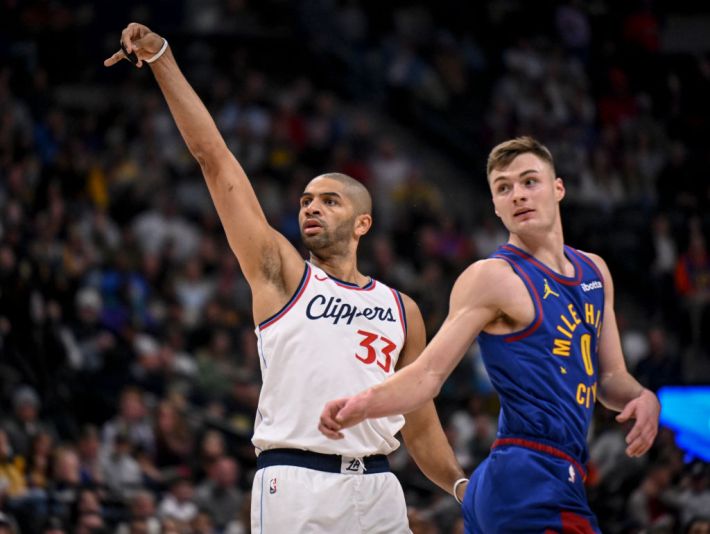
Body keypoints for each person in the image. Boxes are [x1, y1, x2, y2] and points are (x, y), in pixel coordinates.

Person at [105, 22, 467, 533]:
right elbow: (215, 160)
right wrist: (163, 58)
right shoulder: (282, 274)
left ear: (364, 223)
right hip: (296, 483)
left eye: (328, 200)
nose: (311, 208)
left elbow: (422, 427)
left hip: (381, 488)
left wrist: (461, 487)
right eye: (304, 201)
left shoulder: (401, 308)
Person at [320, 136, 661, 533]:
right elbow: (428, 375)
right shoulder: (493, 277)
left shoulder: (595, 271)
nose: (517, 194)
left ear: (558, 188)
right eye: (504, 188)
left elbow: (608, 378)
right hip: (525, 476)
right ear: (496, 206)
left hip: (556, 477)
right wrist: (362, 404)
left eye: (529, 181)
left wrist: (641, 396)